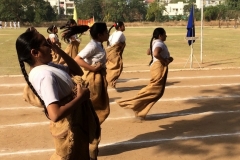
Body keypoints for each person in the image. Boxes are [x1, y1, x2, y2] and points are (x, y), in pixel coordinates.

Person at [16, 30, 100, 159]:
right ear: (35, 53)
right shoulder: (44, 75)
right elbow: (54, 114)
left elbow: (77, 71)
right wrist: (80, 98)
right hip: (69, 127)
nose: (50, 46)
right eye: (46, 44)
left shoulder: (48, 66)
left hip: (76, 124)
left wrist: (58, 50)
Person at [116, 27, 173, 122]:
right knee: (155, 90)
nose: (166, 36)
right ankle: (132, 103)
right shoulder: (159, 43)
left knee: (157, 92)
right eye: (164, 34)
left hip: (156, 66)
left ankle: (140, 111)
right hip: (159, 67)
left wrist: (167, 58)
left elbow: (148, 52)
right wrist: (165, 60)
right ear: (160, 35)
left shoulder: (155, 42)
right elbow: (155, 53)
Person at [62, 22, 110, 124]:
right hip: (92, 78)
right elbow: (77, 59)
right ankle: (83, 125)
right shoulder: (93, 45)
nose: (108, 34)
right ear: (99, 35)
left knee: (98, 105)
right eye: (106, 32)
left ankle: (90, 125)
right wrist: (92, 68)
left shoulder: (99, 44)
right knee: (92, 105)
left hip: (99, 76)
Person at [106, 21, 126, 88]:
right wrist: (119, 45)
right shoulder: (120, 33)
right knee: (118, 67)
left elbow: (108, 41)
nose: (124, 26)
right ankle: (110, 80)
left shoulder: (114, 33)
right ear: (120, 27)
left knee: (112, 66)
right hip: (114, 52)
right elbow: (116, 42)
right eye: (123, 25)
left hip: (109, 52)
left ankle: (109, 80)